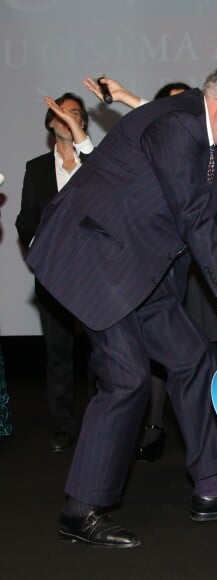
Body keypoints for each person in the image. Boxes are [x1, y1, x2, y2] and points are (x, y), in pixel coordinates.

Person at [25, 59, 217, 548]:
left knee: (193, 358)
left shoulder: (214, 139)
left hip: (136, 261)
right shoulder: (175, 126)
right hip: (93, 255)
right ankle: (81, 509)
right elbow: (196, 220)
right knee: (127, 378)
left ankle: (211, 488)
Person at [83, 77, 217, 462]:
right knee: (130, 373)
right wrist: (128, 99)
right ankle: (150, 430)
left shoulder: (213, 151)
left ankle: (208, 472)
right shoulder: (164, 138)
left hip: (187, 267)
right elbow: (166, 127)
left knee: (193, 355)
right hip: (134, 269)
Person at [15, 93, 95, 452]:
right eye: (59, 114)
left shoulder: (96, 164)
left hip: (97, 274)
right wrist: (38, 246)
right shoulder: (36, 168)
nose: (65, 118)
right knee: (58, 354)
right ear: (50, 123)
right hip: (53, 272)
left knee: (103, 354)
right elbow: (25, 217)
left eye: (74, 113)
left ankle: (100, 425)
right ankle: (63, 427)